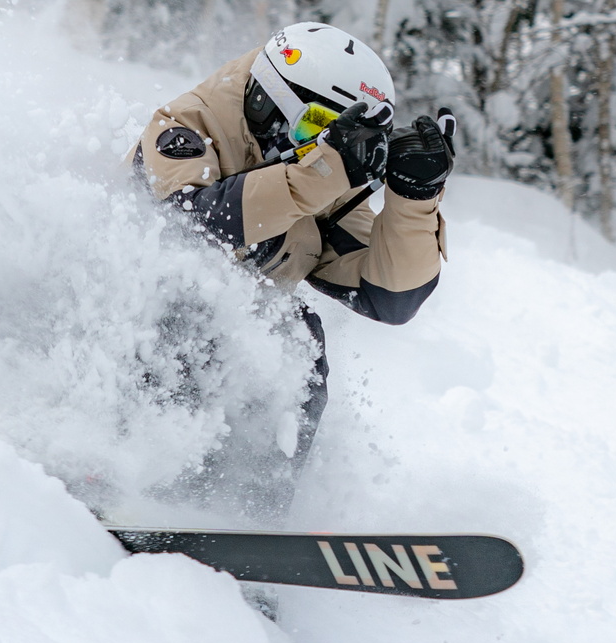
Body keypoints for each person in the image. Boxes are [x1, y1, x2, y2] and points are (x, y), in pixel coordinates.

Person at [132, 21, 454, 521]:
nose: (319, 148)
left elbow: (390, 298)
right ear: (267, 101)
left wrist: (414, 201)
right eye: (314, 128)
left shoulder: (318, 173)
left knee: (296, 339)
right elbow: (193, 219)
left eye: (339, 136)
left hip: (220, 355)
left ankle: (251, 516)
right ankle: (127, 474)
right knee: (190, 311)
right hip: (120, 330)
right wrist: (321, 172)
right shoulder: (187, 127)